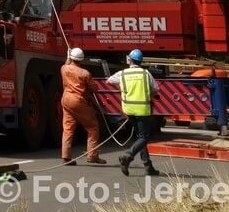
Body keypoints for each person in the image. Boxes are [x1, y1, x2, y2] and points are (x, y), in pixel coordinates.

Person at [107, 48, 161, 176]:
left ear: (129, 60)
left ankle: (148, 166)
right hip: (142, 110)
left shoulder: (123, 74)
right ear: (141, 61)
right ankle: (128, 156)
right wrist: (152, 95)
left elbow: (108, 81)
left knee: (140, 137)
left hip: (128, 109)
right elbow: (155, 89)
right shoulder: (145, 74)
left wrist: (122, 88)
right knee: (144, 137)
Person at [61, 47, 106, 165]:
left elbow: (66, 65)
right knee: (93, 127)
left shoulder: (64, 69)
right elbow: (94, 88)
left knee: (68, 129)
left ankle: (66, 156)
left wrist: (67, 57)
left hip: (66, 100)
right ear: (81, 59)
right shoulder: (85, 73)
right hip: (79, 101)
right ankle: (92, 156)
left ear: (71, 58)